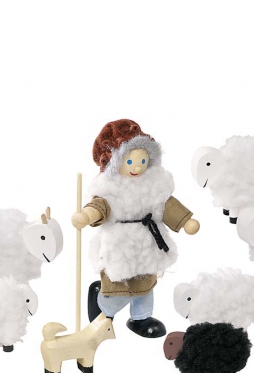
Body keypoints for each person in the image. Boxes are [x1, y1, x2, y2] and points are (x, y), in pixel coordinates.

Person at [72, 119, 200, 338]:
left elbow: (166, 204)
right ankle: (103, 306)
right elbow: (101, 206)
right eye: (130, 161)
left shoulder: (153, 184)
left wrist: (186, 221)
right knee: (118, 284)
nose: (138, 167)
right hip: (119, 243)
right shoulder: (109, 187)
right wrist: (86, 215)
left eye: (142, 160)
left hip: (147, 243)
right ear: (115, 161)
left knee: (146, 283)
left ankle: (141, 318)